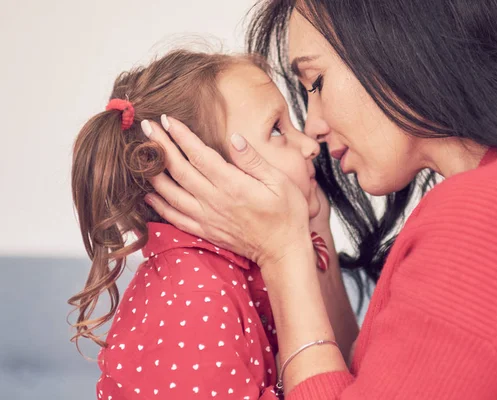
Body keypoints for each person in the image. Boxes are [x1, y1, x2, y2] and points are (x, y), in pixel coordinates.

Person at [141, 0, 497, 399]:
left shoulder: (488, 216)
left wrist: (280, 256)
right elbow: (367, 383)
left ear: (399, 45)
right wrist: (307, 230)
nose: (313, 128)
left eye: (315, 82)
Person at [67, 49, 357, 399]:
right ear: (203, 174)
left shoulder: (248, 263)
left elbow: (344, 376)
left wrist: (312, 227)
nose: (310, 145)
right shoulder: (192, 299)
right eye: (278, 130)